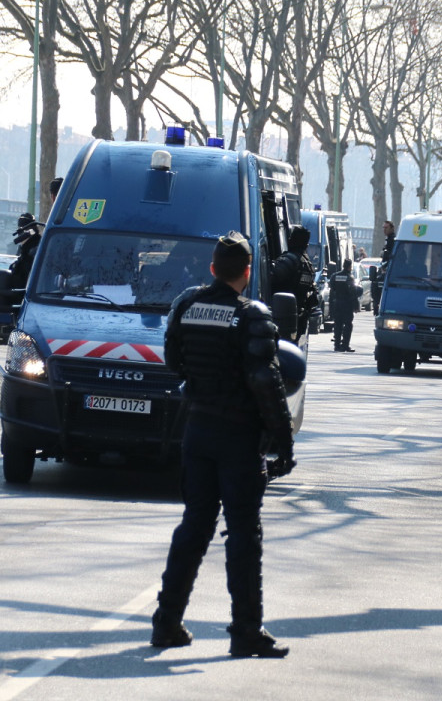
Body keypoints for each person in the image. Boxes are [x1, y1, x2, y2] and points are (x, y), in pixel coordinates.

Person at [151, 231, 294, 659]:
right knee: (244, 534)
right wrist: (283, 441)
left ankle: (167, 622)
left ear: (213, 269)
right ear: (247, 272)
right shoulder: (252, 316)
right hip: (238, 439)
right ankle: (246, 631)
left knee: (194, 526)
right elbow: (266, 381)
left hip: (197, 431)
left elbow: (174, 362)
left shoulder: (187, 307)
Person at [271, 225, 318, 339]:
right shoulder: (308, 265)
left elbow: (270, 279)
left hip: (281, 318)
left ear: (290, 241)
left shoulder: (289, 261)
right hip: (297, 319)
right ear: (306, 245)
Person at [330, 258, 361, 352]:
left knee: (338, 324)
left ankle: (337, 345)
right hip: (347, 304)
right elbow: (353, 292)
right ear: (349, 267)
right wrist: (356, 306)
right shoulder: (349, 277)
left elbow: (332, 289)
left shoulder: (335, 276)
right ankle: (345, 345)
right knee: (348, 325)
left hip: (337, 303)